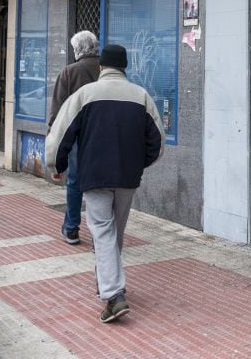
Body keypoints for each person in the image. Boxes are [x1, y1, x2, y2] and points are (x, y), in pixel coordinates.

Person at [45, 44, 164, 324]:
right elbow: (157, 142)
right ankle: (107, 283)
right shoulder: (141, 96)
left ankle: (113, 295)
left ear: (101, 67)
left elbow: (60, 134)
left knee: (102, 231)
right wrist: (139, 163)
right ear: (124, 67)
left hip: (95, 175)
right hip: (127, 178)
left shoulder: (84, 95)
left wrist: (56, 165)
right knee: (114, 233)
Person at [48, 30, 101, 244]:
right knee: (102, 185)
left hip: (79, 137)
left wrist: (54, 157)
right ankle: (103, 232)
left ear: (77, 50)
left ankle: (71, 228)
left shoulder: (69, 73)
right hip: (104, 136)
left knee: (75, 183)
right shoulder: (106, 70)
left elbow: (58, 114)